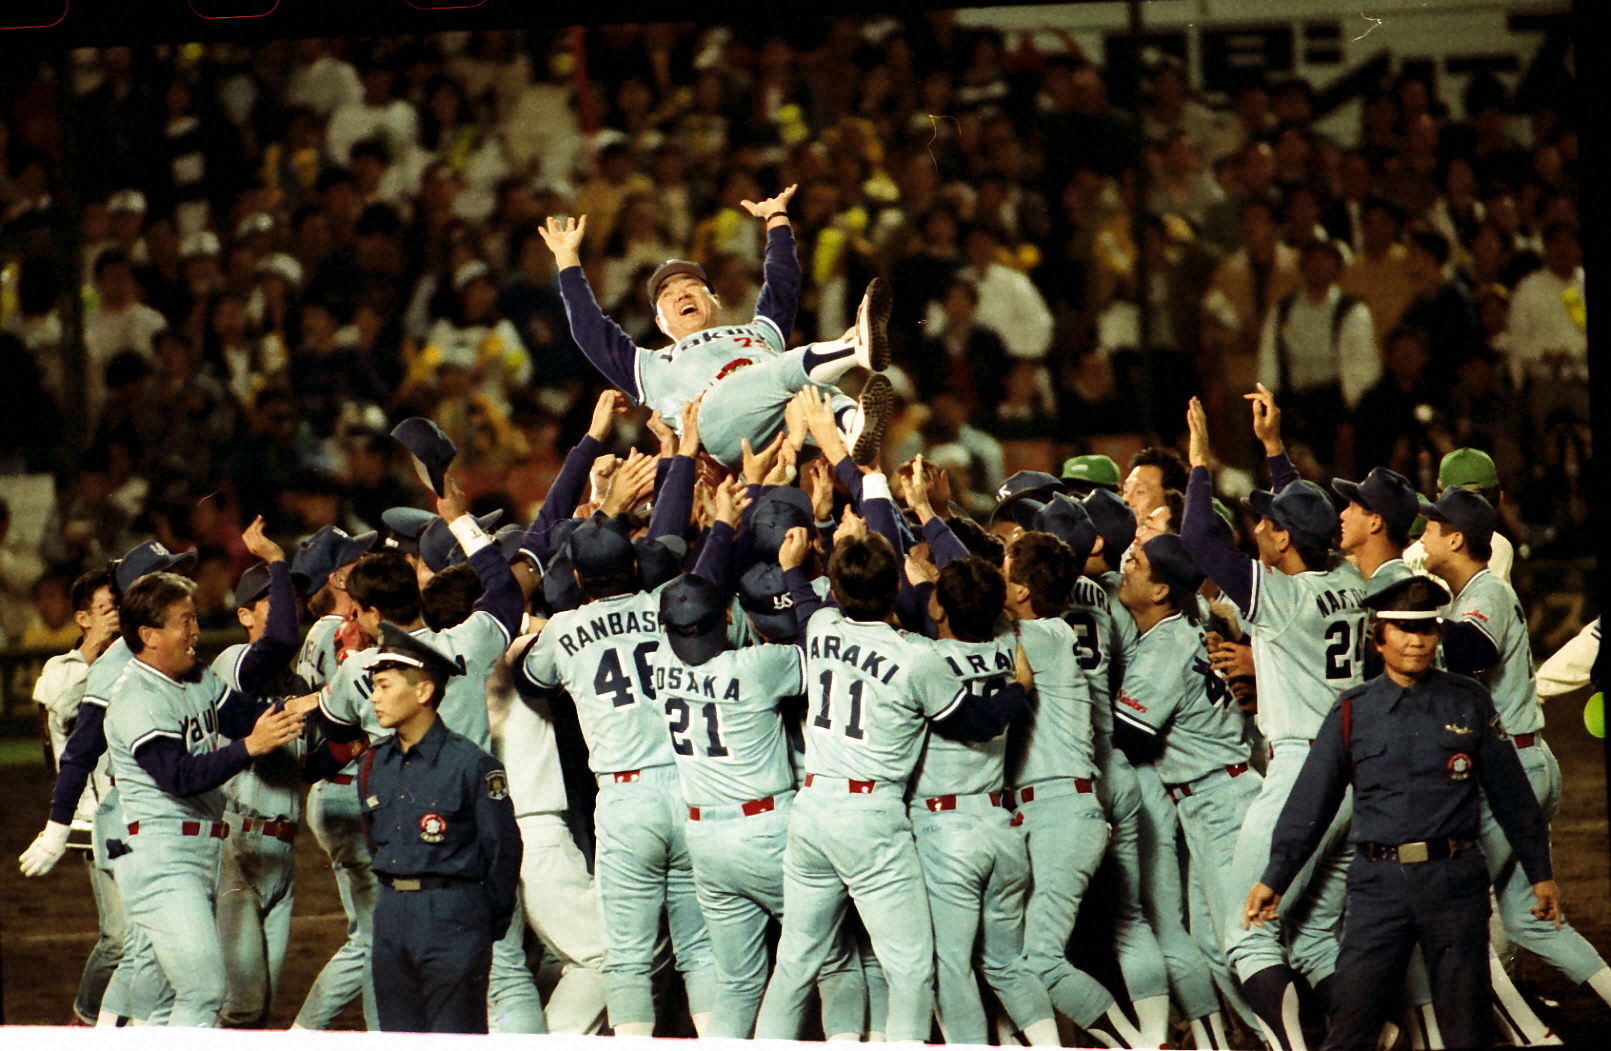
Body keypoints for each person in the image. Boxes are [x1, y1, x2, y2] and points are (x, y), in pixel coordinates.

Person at [1243, 570, 1561, 1050]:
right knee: (1351, 1027)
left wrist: (1540, 872)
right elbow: (1312, 801)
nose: (1416, 641)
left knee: (1466, 1031)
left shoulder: (1470, 700)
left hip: (1454, 881)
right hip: (1378, 889)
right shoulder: (1351, 710)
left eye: (1427, 628)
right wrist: (1275, 878)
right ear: (1378, 638)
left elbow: (1511, 793)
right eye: (1403, 629)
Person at [1181, 392, 1365, 1051]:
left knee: (1245, 930)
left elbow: (1199, 539)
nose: (1257, 526)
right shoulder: (1348, 578)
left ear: (1284, 539)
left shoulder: (1282, 598)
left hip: (1300, 773)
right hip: (1355, 778)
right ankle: (1370, 1033)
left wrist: (1199, 461)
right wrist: (1272, 450)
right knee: (1313, 936)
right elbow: (1303, 520)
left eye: (1266, 521)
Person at [1417, 487, 1611, 1032]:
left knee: (1457, 914)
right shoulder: (1466, 595)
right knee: (1531, 923)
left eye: (1430, 528)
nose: (1421, 537)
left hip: (1512, 774)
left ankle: (1531, 1034)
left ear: (1456, 539)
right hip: (1524, 763)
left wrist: (1408, 614)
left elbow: (1472, 652)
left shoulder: (1488, 593)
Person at [537, 190, 896, 469]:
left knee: (812, 390)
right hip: (718, 427)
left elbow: (782, 287)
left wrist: (777, 219)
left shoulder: (758, 333)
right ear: (660, 323)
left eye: (692, 285)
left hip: (779, 418)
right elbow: (589, 329)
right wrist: (567, 259)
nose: (681, 292)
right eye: (666, 292)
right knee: (783, 369)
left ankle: (852, 425)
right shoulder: (649, 364)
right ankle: (853, 348)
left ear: (717, 301)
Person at [101, 570, 305, 1027]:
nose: (195, 632)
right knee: (204, 990)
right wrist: (253, 745)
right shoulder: (136, 696)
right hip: (161, 857)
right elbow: (180, 776)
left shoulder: (194, 679)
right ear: (149, 635)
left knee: (155, 1006)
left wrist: (312, 705)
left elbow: (242, 717)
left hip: (199, 852)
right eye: (184, 621)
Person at [359, 623, 522, 1033]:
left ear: (423, 691)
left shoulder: (473, 765)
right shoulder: (373, 763)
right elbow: (374, 837)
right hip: (392, 916)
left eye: (383, 685)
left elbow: (503, 850)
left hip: (454, 918)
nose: (373, 697)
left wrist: (481, 922)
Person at [30, 568, 122, 1025]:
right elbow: (64, 711)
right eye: (106, 610)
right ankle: (83, 1020)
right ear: (83, 618)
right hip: (91, 818)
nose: (114, 618)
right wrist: (95, 651)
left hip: (136, 812)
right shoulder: (62, 668)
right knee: (121, 937)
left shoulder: (126, 663)